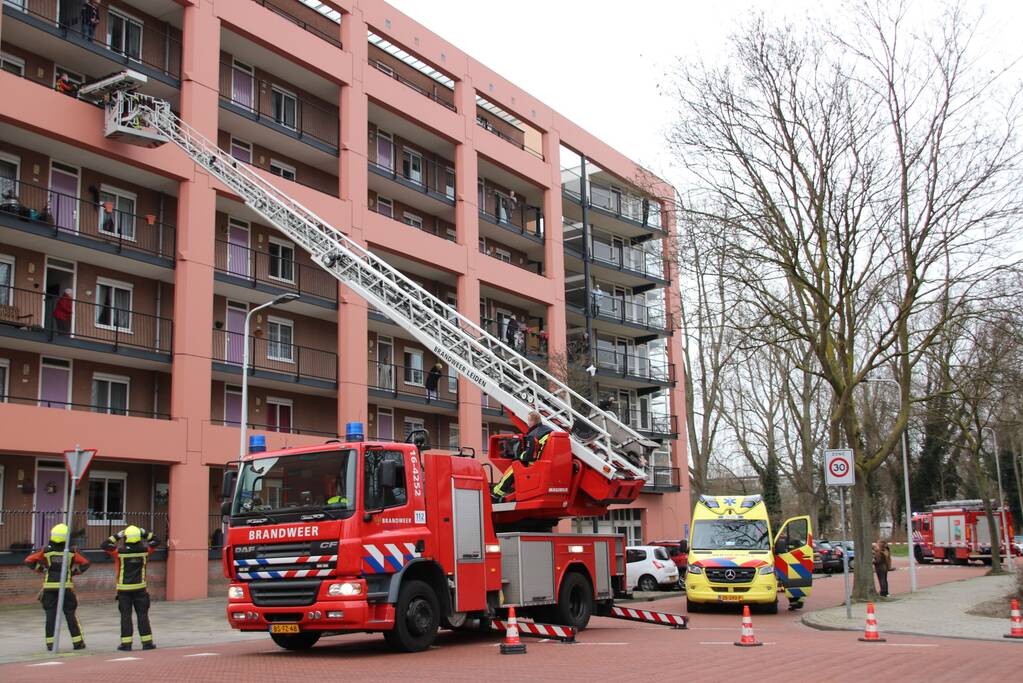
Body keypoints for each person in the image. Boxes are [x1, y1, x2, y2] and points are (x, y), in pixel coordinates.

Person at [24, 523, 90, 651]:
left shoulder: (46, 551)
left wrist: (42, 569)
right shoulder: (71, 551)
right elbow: (86, 563)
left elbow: (29, 560)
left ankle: (50, 644)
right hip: (66, 587)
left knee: (50, 616)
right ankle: (78, 643)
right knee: (70, 614)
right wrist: (74, 572)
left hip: (49, 588)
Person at [101, 525, 159, 651]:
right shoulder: (145, 551)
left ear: (126, 537)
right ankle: (147, 643)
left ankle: (126, 644)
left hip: (124, 590)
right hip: (140, 588)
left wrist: (117, 536)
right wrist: (144, 532)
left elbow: (104, 544)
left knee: (125, 616)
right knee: (142, 615)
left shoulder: (119, 552)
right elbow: (156, 540)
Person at [492, 410, 554, 501]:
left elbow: (529, 456)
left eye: (528, 421)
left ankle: (496, 494)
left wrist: (519, 457)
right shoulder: (549, 430)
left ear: (532, 421)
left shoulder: (532, 435)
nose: (528, 423)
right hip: (546, 462)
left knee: (513, 468)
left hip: (534, 464)